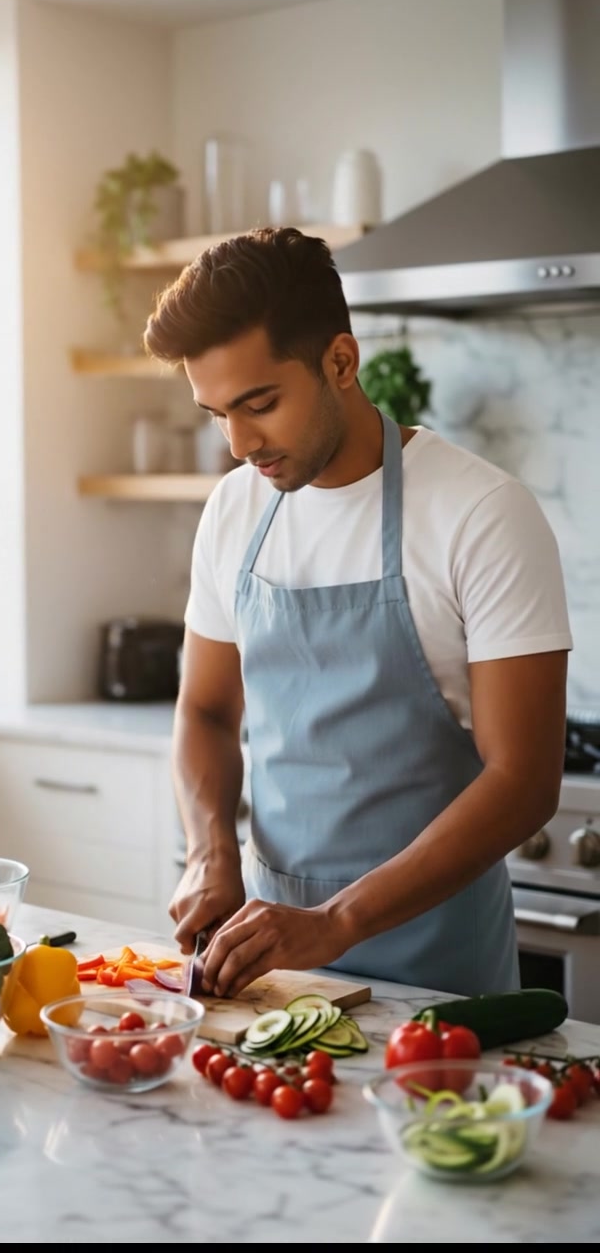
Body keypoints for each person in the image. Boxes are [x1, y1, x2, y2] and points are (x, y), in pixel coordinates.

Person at [143, 225, 572, 1000]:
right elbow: (205, 710)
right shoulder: (236, 511)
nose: (240, 444)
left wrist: (337, 922)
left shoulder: (482, 513)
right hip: (273, 969)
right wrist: (211, 854)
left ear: (341, 361)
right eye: (216, 414)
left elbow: (524, 781)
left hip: (441, 981)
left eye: (260, 404)